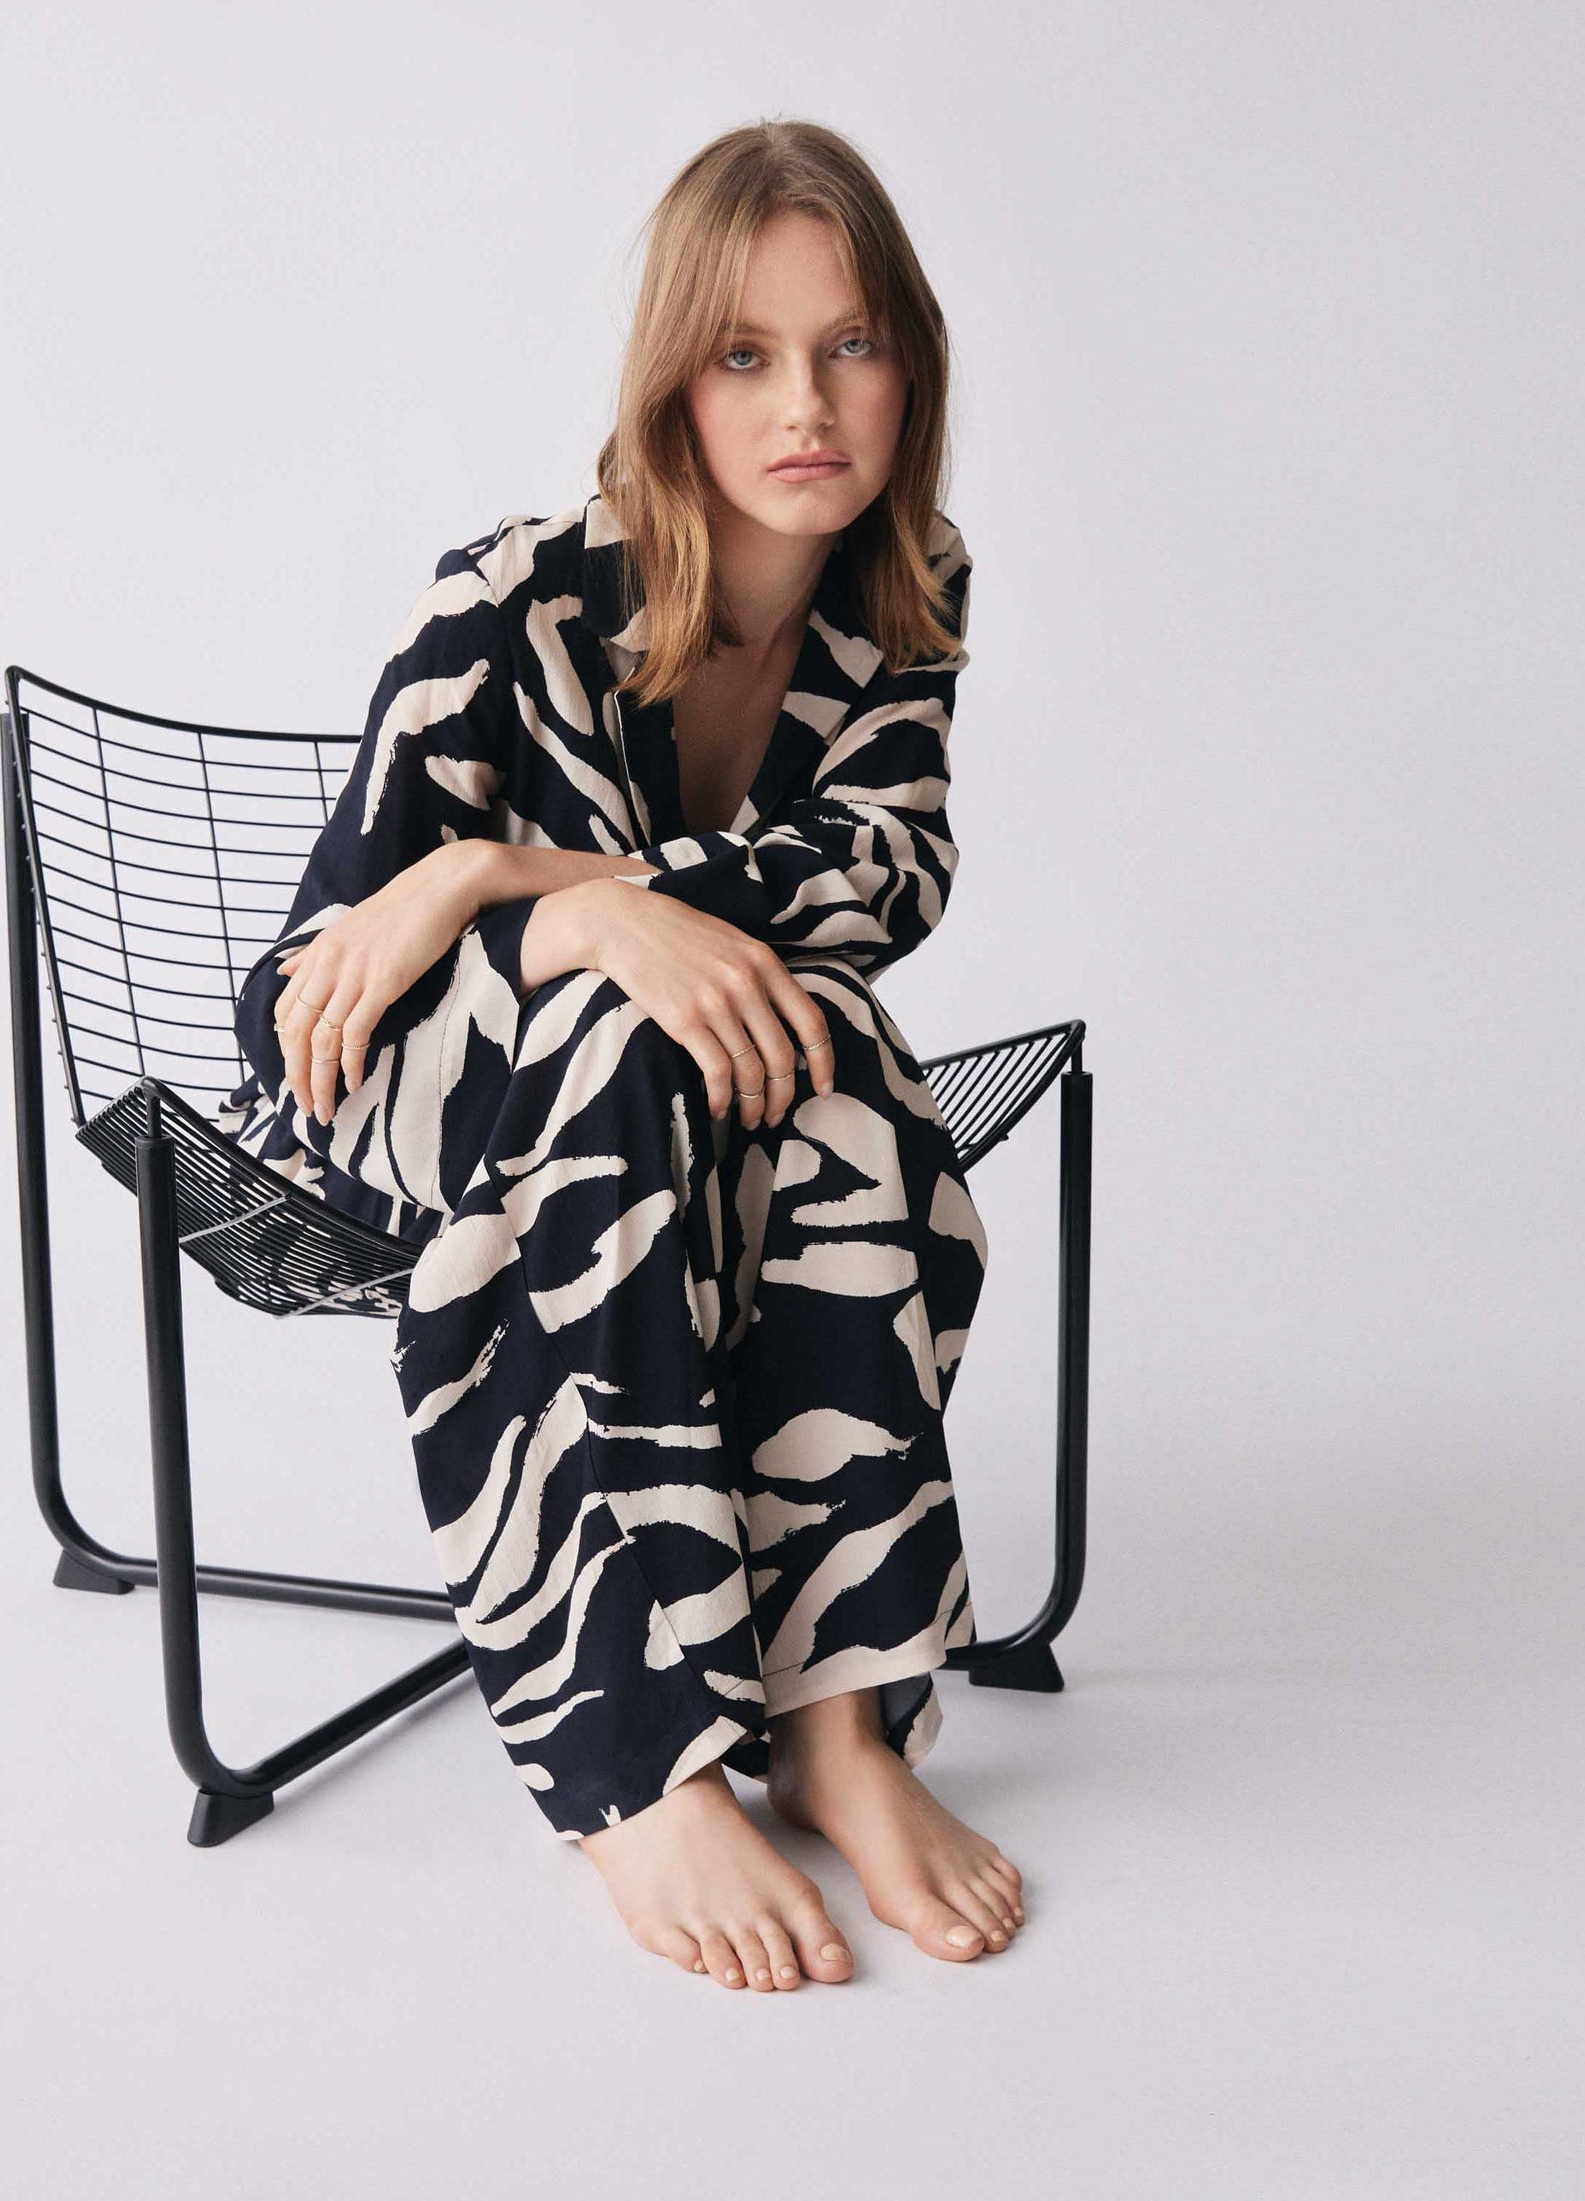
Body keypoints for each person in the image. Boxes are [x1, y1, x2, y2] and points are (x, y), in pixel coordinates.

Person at [210, 119, 1022, 1991]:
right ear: (674, 383)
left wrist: (541, 877)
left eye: (849, 344)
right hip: (400, 1097)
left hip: (699, 1095)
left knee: (825, 1049)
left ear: (910, 368)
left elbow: (882, 876)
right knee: (618, 1032)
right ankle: (633, 1758)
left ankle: (835, 1722)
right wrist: (542, 924)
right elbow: (303, 998)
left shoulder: (908, 584)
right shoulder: (511, 596)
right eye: (745, 353)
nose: (805, 402)